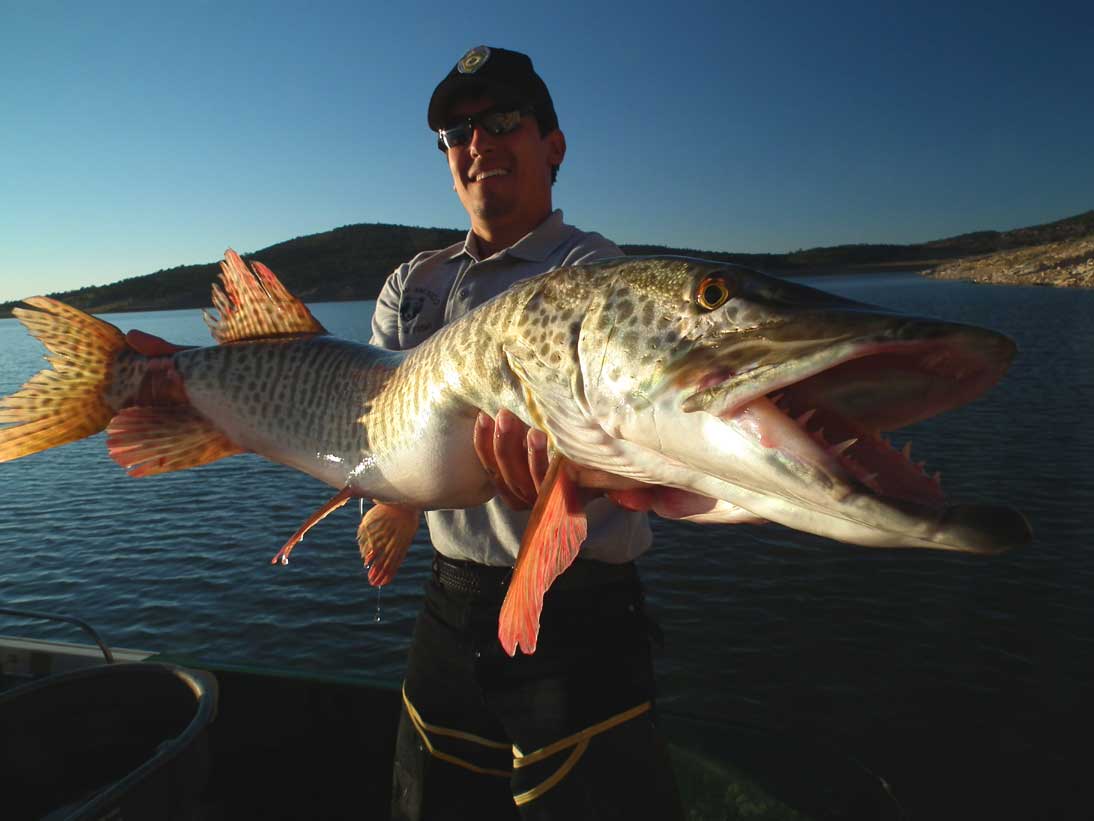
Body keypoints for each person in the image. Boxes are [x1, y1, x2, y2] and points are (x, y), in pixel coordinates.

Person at [371, 46, 683, 820]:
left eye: (504, 118)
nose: (478, 141)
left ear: (554, 145)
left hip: (582, 618)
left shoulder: (598, 277)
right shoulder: (412, 284)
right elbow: (371, 434)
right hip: (448, 606)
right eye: (457, 129)